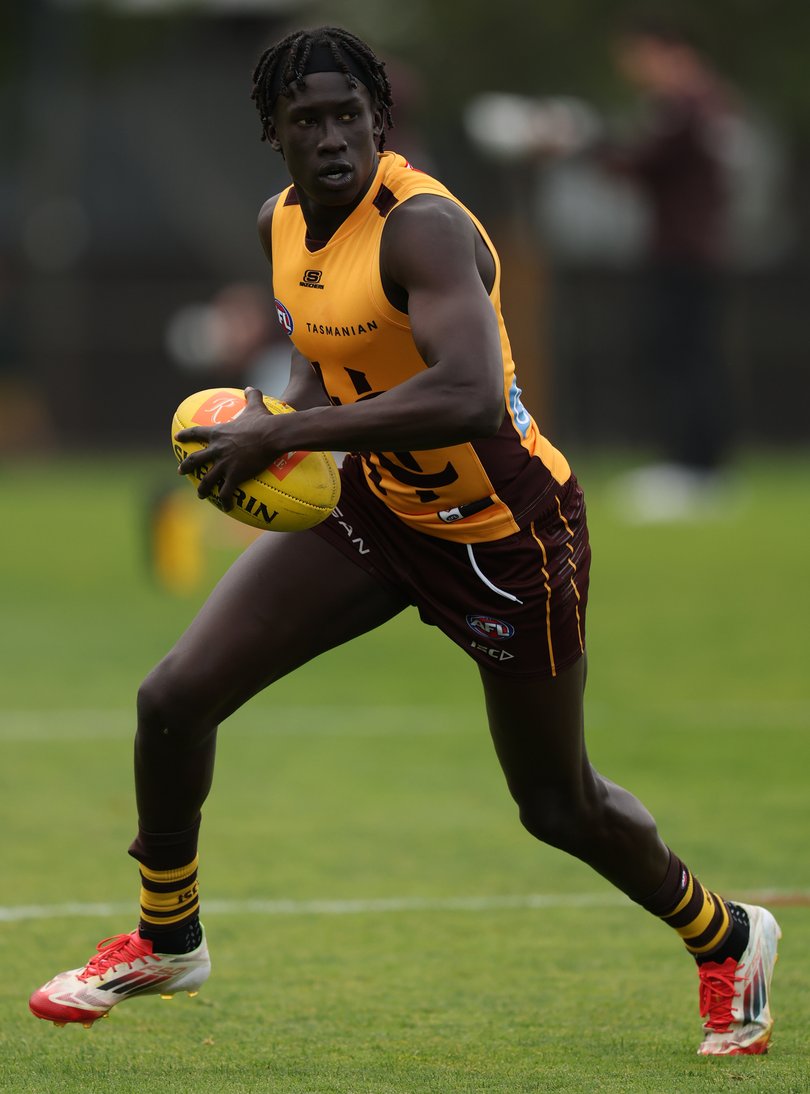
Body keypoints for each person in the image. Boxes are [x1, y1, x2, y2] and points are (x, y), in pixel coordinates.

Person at [29, 26, 779, 1056]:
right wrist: (271, 451)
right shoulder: (278, 225)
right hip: (373, 511)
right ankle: (169, 936)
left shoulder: (420, 227)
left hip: (507, 538)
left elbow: (470, 393)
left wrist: (285, 431)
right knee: (173, 697)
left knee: (557, 803)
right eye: (308, 121)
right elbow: (317, 368)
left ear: (381, 122)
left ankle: (728, 935)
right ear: (273, 135)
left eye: (350, 116)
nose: (333, 137)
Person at [598, 17, 739, 520]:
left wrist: (580, 144)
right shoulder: (707, 102)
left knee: (683, 357)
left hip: (684, 253)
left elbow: (638, 162)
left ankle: (695, 471)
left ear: (666, 51)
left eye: (639, 57)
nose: (636, 70)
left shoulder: (686, 107)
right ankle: (700, 468)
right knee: (688, 355)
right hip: (696, 251)